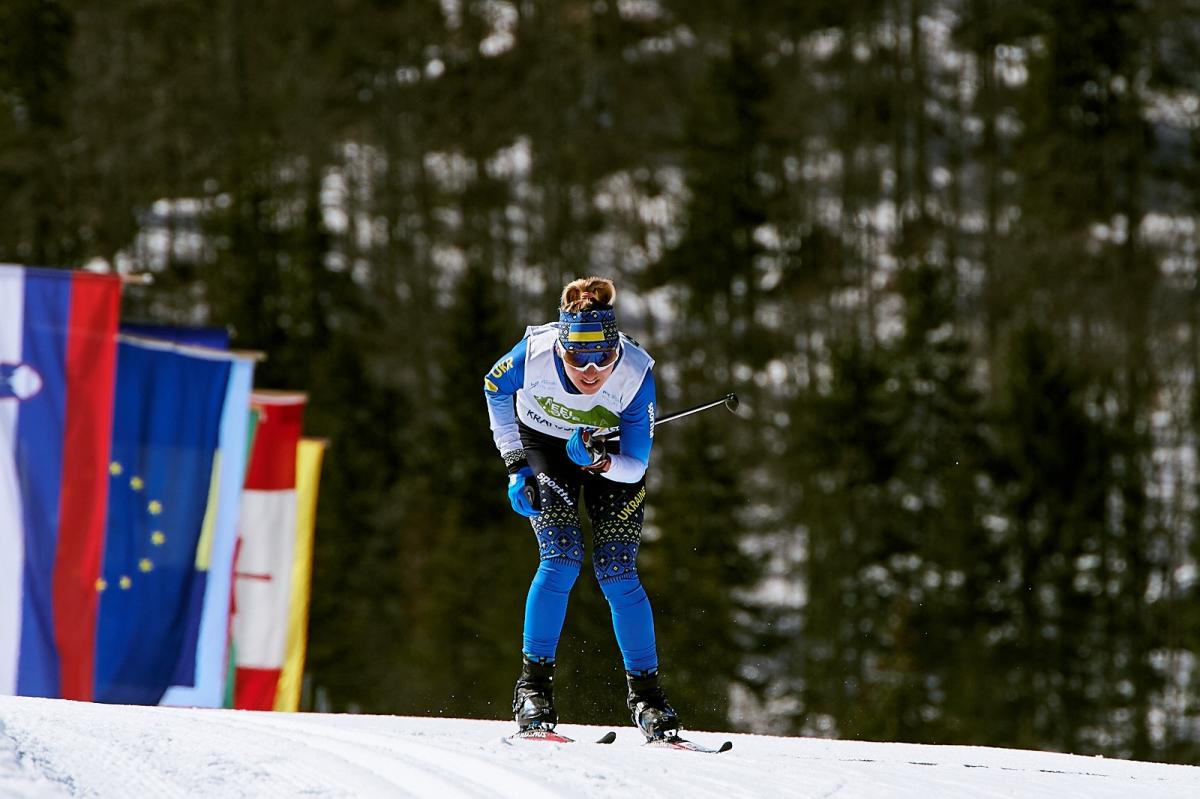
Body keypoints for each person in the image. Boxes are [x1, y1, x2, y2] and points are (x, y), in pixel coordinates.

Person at [483, 276, 681, 741]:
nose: (591, 371)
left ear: (616, 350)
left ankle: (648, 698)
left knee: (617, 572)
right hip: (545, 448)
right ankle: (533, 690)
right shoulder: (531, 356)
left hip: (608, 454)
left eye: (602, 359)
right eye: (577, 359)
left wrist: (599, 461)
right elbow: (494, 388)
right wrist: (515, 464)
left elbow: (634, 467)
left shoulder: (635, 373)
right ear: (560, 349)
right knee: (561, 560)